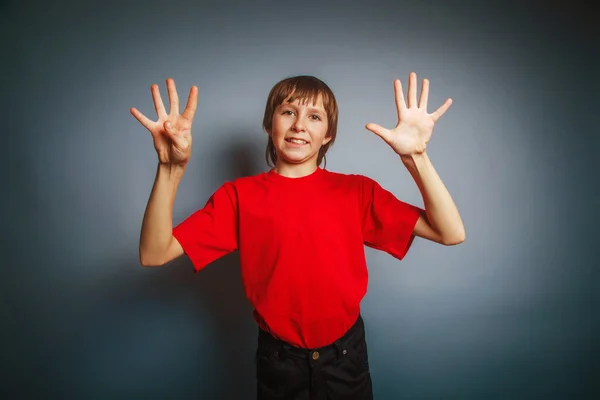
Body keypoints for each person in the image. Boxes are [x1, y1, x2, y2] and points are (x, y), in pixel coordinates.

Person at [130, 72, 465, 399]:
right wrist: (169, 168)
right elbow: (154, 252)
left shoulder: (356, 191)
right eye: (288, 111)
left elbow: (449, 232)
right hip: (279, 363)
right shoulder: (239, 196)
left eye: (314, 116)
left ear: (328, 134)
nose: (299, 125)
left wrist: (416, 157)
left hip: (345, 357)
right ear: (269, 124)